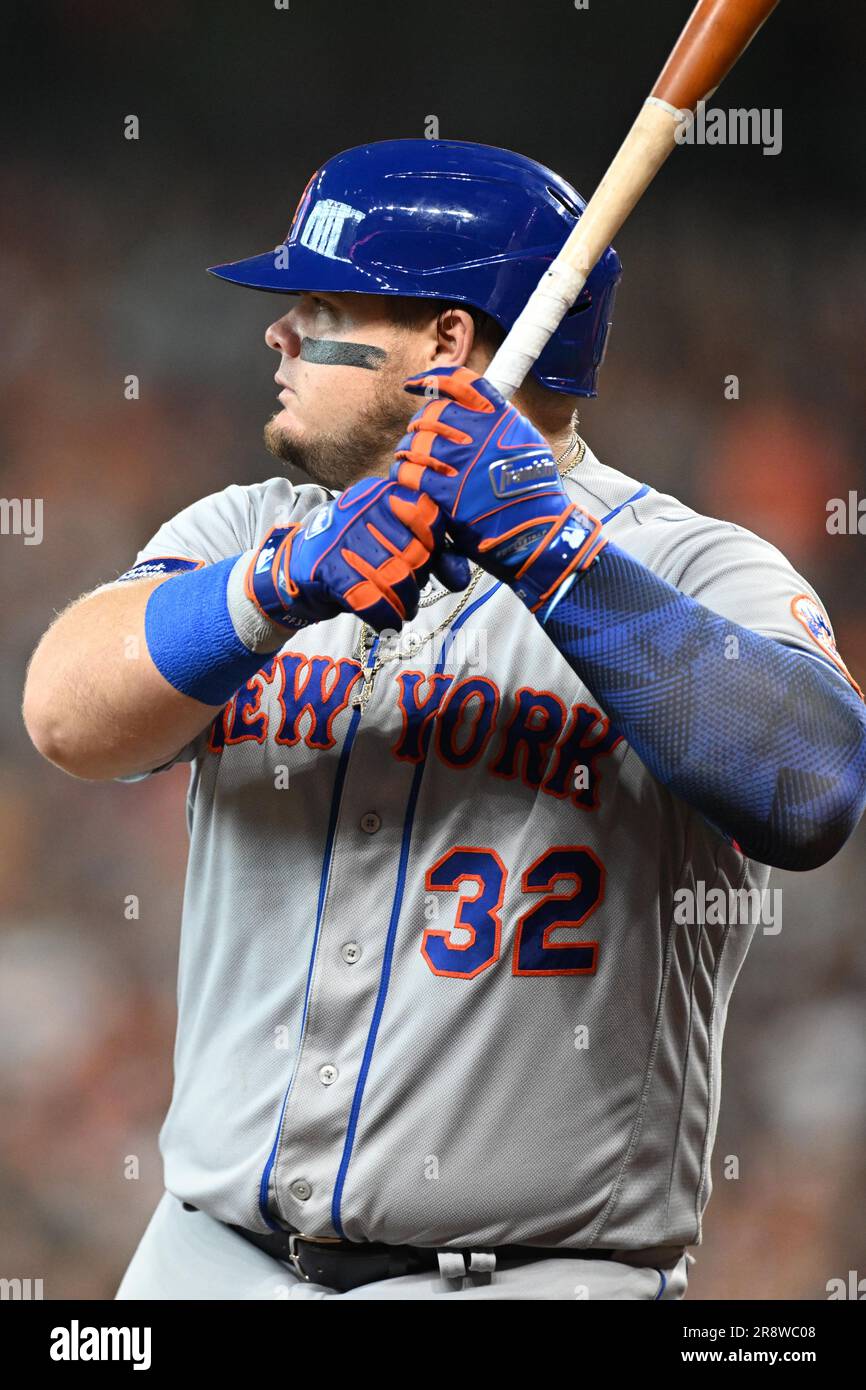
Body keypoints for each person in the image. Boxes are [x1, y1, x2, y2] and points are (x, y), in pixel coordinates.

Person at [22, 139, 866, 1301]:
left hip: (528, 1281)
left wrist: (560, 560)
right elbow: (64, 713)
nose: (277, 334)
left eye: (318, 307)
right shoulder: (253, 529)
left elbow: (809, 788)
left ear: (447, 344)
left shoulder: (682, 564)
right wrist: (275, 584)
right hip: (205, 1259)